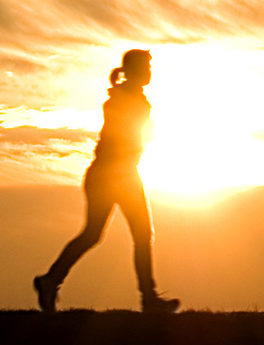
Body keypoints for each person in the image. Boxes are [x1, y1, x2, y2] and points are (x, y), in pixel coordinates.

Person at [33, 49, 179, 314]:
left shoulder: (128, 98)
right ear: (133, 70)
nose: (150, 72)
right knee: (132, 234)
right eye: (146, 67)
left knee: (98, 234)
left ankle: (51, 280)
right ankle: (148, 299)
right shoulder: (126, 99)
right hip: (115, 174)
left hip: (115, 173)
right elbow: (126, 135)